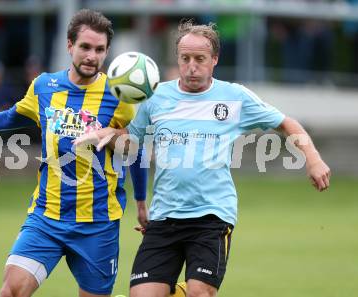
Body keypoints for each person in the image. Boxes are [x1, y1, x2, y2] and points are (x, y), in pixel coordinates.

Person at [73, 20, 331, 297]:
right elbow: (131, 144)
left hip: (212, 216)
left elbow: (286, 122)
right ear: (178, 59)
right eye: (185, 59)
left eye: (200, 58)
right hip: (164, 216)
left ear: (214, 59)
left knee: (200, 291)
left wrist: (313, 158)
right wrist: (109, 134)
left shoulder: (234, 97)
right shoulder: (156, 97)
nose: (191, 66)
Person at [0, 9, 147, 297]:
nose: (92, 55)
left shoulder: (118, 95)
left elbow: (135, 151)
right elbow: (10, 117)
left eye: (99, 49)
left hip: (98, 224)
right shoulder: (44, 86)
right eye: (85, 47)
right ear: (69, 45)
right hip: (47, 216)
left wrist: (141, 203)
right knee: (11, 292)